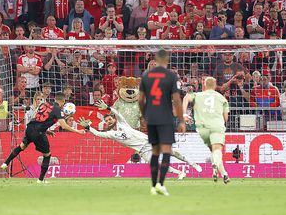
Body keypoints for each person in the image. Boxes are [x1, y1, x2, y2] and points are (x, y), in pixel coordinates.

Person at [80, 100, 201, 179]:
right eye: (106, 121)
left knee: (171, 152)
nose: (108, 121)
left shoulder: (123, 124)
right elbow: (97, 134)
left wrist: (108, 107)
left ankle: (192, 163)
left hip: (148, 141)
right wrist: (87, 127)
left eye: (110, 119)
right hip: (142, 151)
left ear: (113, 119)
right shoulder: (111, 134)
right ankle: (180, 173)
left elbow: (118, 113)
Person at [0, 93, 84, 183]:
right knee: (47, 155)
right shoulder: (57, 110)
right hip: (38, 133)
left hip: (30, 128)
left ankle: (5, 163)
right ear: (63, 101)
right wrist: (78, 131)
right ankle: (40, 180)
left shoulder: (45, 104)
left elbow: (36, 117)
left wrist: (46, 131)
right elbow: (63, 126)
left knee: (22, 146)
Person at [138, 49, 186, 196]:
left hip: (151, 117)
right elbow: (177, 100)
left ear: (156, 60)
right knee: (166, 151)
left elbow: (140, 100)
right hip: (165, 117)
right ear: (166, 60)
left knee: (155, 152)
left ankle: (153, 186)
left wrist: (144, 115)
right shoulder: (171, 76)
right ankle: (161, 184)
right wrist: (181, 120)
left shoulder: (145, 76)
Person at [182, 77, 229, 183]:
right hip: (217, 126)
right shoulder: (222, 98)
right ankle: (215, 166)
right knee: (217, 150)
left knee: (213, 151)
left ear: (205, 85)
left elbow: (186, 98)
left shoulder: (198, 95)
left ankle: (223, 173)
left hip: (202, 128)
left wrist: (184, 114)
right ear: (215, 85)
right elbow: (226, 118)